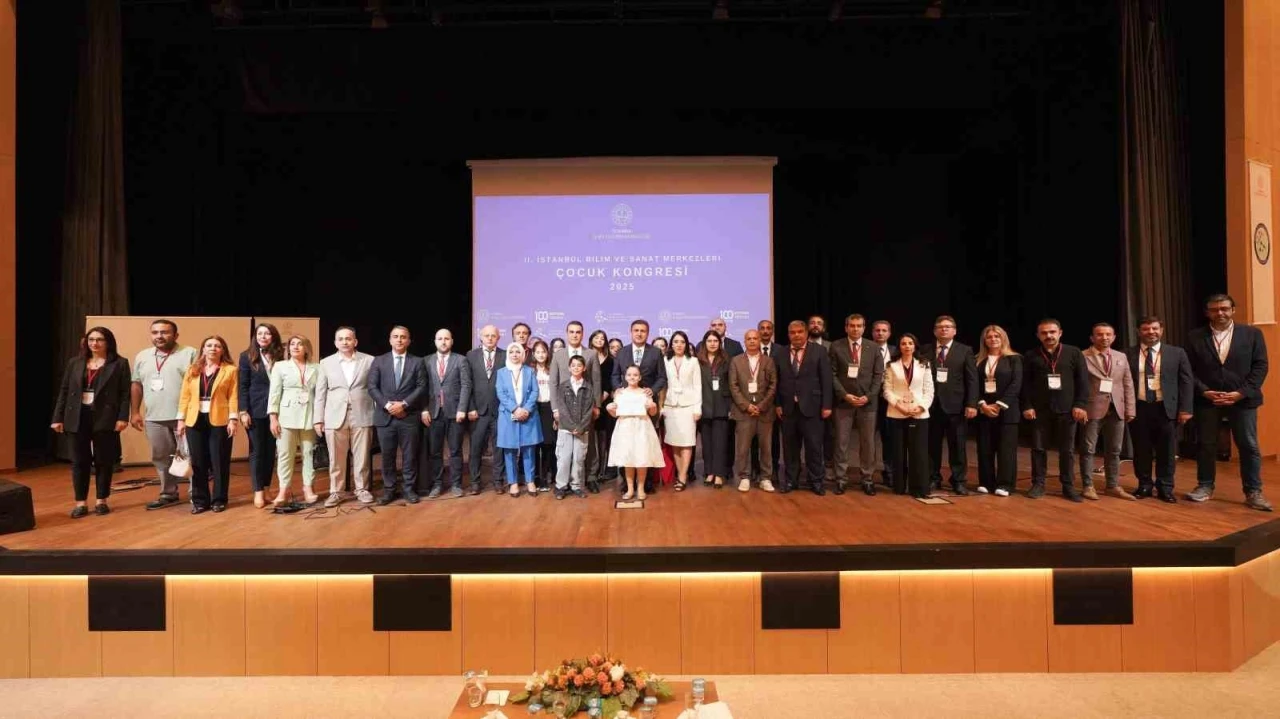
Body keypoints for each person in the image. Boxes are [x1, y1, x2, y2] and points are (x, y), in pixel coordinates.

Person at [1185, 294, 1271, 510]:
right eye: (1215, 310)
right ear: (1207, 313)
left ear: (1233, 310)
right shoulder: (1194, 336)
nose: (1220, 313)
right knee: (1206, 445)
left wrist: (1241, 392)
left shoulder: (1252, 334)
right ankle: (1204, 486)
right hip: (1208, 400)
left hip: (1242, 401)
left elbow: (1260, 366)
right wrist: (1204, 391)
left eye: (1224, 308)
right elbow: (1188, 370)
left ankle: (1253, 491)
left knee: (1248, 445)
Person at [51, 327, 130, 518]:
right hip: (77, 416)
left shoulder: (119, 363)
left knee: (103, 461)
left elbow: (125, 394)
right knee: (79, 461)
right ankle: (81, 503)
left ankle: (101, 500)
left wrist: (122, 417)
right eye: (91, 339)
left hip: (105, 417)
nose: (95, 343)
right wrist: (57, 418)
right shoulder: (75, 362)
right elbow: (64, 390)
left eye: (99, 339)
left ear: (108, 342)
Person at [130, 319, 199, 510]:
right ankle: (168, 493)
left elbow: (198, 384)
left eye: (164, 332)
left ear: (176, 335)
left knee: (190, 456)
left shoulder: (190, 353)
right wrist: (135, 412)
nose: (159, 336)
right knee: (161, 457)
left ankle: (197, 494)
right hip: (154, 417)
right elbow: (136, 384)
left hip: (184, 417)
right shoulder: (143, 356)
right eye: (155, 332)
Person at [1125, 315, 1193, 503]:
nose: (1151, 332)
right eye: (1146, 329)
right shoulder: (1126, 354)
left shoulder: (1177, 353)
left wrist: (1186, 408)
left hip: (1166, 408)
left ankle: (1165, 487)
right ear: (1138, 331)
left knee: (1167, 451)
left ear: (1161, 331)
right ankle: (1144, 485)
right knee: (1141, 450)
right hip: (1138, 408)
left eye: (1155, 328)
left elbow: (1186, 382)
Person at [1021, 319, 1090, 501]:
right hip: (1039, 410)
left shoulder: (1073, 352)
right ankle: (1038, 484)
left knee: (1067, 450)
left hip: (1067, 410)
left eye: (1052, 332)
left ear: (1060, 333)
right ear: (1038, 335)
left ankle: (1068, 486)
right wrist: (1027, 405)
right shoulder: (1031, 355)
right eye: (1044, 333)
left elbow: (1083, 381)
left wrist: (1080, 404)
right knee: (1038, 448)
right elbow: (1025, 384)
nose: (1049, 336)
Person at [177, 335, 240, 513]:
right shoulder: (193, 369)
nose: (213, 348)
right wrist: (181, 419)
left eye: (217, 346)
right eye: (209, 345)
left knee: (219, 461)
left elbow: (233, 396)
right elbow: (184, 396)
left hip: (220, 420)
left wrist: (233, 419)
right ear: (203, 349)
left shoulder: (230, 370)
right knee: (198, 461)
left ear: (222, 350)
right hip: (194, 419)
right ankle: (200, 500)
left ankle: (219, 499)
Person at [314, 327, 376, 507]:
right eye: (340, 339)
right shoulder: (326, 363)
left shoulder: (369, 360)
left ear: (355, 341)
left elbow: (374, 389)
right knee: (336, 457)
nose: (344, 342)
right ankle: (336, 492)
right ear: (335, 343)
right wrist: (318, 419)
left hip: (362, 413)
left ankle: (362, 489)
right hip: (334, 415)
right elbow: (320, 393)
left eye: (348, 339)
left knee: (362, 455)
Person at [368, 325, 428, 505]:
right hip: (385, 417)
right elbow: (372, 387)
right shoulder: (379, 361)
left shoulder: (418, 362)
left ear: (409, 341)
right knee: (387, 456)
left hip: (408, 416)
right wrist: (388, 405)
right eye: (396, 336)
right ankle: (389, 490)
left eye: (403, 337)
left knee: (409, 456)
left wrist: (403, 404)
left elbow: (421, 387)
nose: (399, 339)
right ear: (390, 340)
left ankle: (409, 489)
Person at [1077, 323, 1136, 501]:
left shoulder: (1121, 356)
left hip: (1117, 409)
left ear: (1114, 337)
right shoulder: (1082, 356)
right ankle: (1088, 486)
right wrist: (1079, 406)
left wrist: (1130, 408)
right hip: (1091, 409)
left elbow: (1127, 383)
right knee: (1088, 449)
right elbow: (1077, 384)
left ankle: (1112, 486)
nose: (1104, 337)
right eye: (1100, 334)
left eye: (1108, 334)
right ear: (1092, 338)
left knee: (1115, 450)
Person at [829, 314, 885, 496]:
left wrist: (868, 396)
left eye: (859, 326)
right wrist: (844, 395)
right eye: (852, 325)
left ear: (864, 328)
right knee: (841, 442)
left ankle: (867, 479)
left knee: (868, 443)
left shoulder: (873, 347)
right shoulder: (836, 346)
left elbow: (878, 375)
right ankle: (841, 478)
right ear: (846, 327)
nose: (855, 329)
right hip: (843, 402)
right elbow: (832, 374)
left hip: (867, 403)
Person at [922, 315, 979, 494]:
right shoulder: (925, 350)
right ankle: (933, 478)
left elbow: (972, 379)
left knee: (958, 446)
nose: (944, 329)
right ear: (934, 331)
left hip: (957, 406)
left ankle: (958, 480)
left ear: (954, 331)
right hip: (931, 406)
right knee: (932, 445)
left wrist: (972, 404)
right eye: (940, 326)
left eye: (948, 326)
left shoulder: (965, 350)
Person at [776, 320, 833, 495]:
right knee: (790, 448)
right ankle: (791, 481)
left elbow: (826, 379)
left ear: (806, 333)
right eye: (792, 332)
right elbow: (777, 381)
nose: (796, 335)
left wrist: (827, 405)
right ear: (788, 335)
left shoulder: (819, 351)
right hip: (788, 409)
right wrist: (778, 404)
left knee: (814, 447)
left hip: (813, 407)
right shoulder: (781, 352)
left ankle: (816, 481)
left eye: (800, 332)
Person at [268, 335, 321, 507]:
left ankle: (308, 487)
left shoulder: (317, 367)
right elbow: (274, 393)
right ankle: (283, 489)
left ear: (307, 348)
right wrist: (273, 418)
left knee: (309, 453)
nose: (295, 347)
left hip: (310, 415)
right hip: (286, 416)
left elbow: (320, 394)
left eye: (300, 344)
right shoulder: (280, 366)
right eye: (292, 344)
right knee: (285, 454)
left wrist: (320, 418)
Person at [550, 321, 603, 491]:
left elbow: (596, 381)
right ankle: (563, 483)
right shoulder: (559, 354)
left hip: (585, 408)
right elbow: (553, 382)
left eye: (578, 332)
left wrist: (597, 406)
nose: (574, 335)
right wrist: (555, 408)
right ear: (567, 333)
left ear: (582, 334)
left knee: (588, 445)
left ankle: (591, 477)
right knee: (565, 449)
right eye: (571, 332)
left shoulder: (591, 354)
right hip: (564, 408)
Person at [421, 328, 473, 499]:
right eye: (440, 339)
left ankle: (456, 484)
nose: (443, 342)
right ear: (435, 341)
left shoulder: (461, 360)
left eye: (446, 339)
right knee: (435, 452)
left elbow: (466, 385)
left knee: (456, 450)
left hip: (455, 412)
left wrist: (462, 408)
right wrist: (424, 409)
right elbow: (422, 388)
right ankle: (437, 484)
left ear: (452, 341)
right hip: (433, 413)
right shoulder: (426, 361)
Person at [882, 333, 935, 498]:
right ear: (899, 347)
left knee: (918, 452)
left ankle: (919, 488)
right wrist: (899, 406)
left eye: (910, 343)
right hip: (897, 413)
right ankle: (899, 487)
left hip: (919, 414)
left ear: (915, 346)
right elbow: (887, 390)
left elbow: (929, 389)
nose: (907, 346)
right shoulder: (891, 365)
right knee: (898, 452)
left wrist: (921, 407)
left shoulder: (924, 364)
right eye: (903, 343)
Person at [973, 325, 1022, 497]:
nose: (993, 339)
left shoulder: (1014, 359)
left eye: (997, 336)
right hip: (984, 410)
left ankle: (1005, 484)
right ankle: (986, 482)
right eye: (989, 337)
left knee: (1006, 450)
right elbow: (973, 384)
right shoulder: (977, 360)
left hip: (1007, 412)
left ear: (1003, 338)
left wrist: (999, 405)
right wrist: (982, 405)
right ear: (984, 340)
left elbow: (1016, 384)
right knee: (985, 448)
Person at [238, 323, 283, 508]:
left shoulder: (281, 355)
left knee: (270, 452)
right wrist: (243, 411)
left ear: (273, 336)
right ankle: (257, 491)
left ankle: (266, 488)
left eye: (267, 333)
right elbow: (242, 385)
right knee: (257, 451)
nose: (263, 336)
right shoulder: (246, 356)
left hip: (277, 410)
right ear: (255, 337)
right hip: (255, 410)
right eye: (260, 333)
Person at [730, 329, 778, 492]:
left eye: (755, 338)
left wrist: (761, 406)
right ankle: (744, 477)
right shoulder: (736, 361)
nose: (752, 341)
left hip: (765, 412)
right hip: (744, 412)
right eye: (749, 338)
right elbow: (733, 386)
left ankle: (765, 478)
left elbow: (773, 385)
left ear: (759, 341)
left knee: (766, 448)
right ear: (744, 341)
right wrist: (747, 406)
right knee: (743, 448)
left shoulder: (768, 361)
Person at [607, 364, 663, 501]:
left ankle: (641, 488)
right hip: (625, 427)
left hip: (642, 427)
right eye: (629, 375)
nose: (632, 377)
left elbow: (652, 412)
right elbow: (615, 413)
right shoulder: (620, 393)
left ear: (640, 377)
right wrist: (609, 409)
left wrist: (653, 406)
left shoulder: (645, 393)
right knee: (628, 459)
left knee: (641, 458)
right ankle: (630, 488)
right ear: (625, 377)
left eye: (635, 375)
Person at [496, 343, 542, 498]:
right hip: (508, 416)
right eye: (511, 352)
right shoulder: (501, 372)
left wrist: (526, 409)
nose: (515, 354)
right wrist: (515, 409)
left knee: (529, 449)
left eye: (518, 352)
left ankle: (530, 481)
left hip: (528, 415)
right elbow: (500, 393)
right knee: (509, 451)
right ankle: (513, 482)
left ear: (522, 355)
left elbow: (535, 391)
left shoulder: (530, 371)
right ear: (508, 354)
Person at [465, 325, 506, 495]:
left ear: (498, 338)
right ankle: (475, 482)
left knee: (499, 449)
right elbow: (467, 384)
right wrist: (470, 407)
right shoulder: (471, 355)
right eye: (486, 335)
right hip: (477, 411)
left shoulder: (505, 355)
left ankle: (498, 481)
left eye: (493, 335)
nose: (489, 338)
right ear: (480, 337)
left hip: (499, 411)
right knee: (475, 449)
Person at [662, 331, 702, 491]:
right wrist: (661, 406)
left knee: (687, 443)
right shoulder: (665, 360)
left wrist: (697, 408)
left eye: (682, 342)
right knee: (675, 443)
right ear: (671, 344)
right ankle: (680, 473)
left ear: (686, 344)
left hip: (688, 407)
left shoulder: (693, 361)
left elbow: (697, 386)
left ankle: (683, 476)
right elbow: (662, 385)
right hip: (670, 406)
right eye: (676, 341)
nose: (679, 345)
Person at [554, 354, 595, 499]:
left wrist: (581, 426)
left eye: (579, 365)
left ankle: (576, 485)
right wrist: (571, 426)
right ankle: (561, 486)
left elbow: (589, 409)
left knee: (578, 458)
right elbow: (562, 408)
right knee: (564, 458)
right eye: (573, 365)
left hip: (582, 430)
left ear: (584, 368)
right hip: (565, 429)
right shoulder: (563, 386)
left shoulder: (588, 387)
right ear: (569, 368)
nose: (576, 368)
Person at [698, 330, 733, 489]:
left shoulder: (727, 360)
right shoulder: (698, 361)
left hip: (722, 405)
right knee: (706, 443)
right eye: (709, 341)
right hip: (704, 405)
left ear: (720, 343)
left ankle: (719, 474)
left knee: (720, 442)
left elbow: (731, 384)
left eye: (715, 341)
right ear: (704, 343)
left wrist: (731, 406)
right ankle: (709, 472)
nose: (712, 344)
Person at [869, 320, 897, 488]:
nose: (880, 333)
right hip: (870, 398)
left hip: (889, 400)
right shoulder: (865, 349)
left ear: (889, 333)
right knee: (868, 439)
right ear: (872, 333)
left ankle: (890, 472)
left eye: (884, 330)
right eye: (877, 330)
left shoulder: (895, 351)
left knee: (889, 438)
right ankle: (868, 474)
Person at [589, 329, 617, 487]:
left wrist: (599, 401)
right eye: (596, 337)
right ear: (591, 339)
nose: (599, 340)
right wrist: (592, 402)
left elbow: (610, 382)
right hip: (587, 402)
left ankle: (604, 470)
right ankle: (591, 470)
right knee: (591, 438)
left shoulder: (611, 360)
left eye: (602, 338)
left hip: (605, 403)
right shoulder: (586, 356)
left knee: (604, 437)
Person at [529, 340, 557, 491]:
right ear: (533, 354)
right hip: (533, 409)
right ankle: (535, 478)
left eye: (543, 352)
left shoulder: (552, 369)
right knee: (534, 445)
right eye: (538, 352)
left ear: (548, 353)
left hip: (548, 408)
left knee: (547, 444)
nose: (541, 355)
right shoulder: (529, 370)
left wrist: (555, 412)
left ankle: (546, 478)